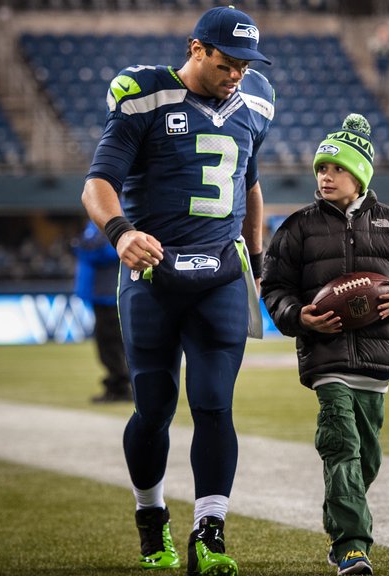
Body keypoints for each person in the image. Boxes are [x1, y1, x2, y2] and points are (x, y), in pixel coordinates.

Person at [80, 6, 274, 575]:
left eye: (243, 64)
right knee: (154, 409)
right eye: (225, 62)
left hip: (219, 277)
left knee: (215, 405)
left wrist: (257, 258)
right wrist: (121, 233)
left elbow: (249, 181)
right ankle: (151, 514)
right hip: (153, 279)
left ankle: (210, 533)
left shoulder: (256, 101)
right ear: (195, 50)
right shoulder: (146, 96)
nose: (235, 74)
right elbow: (97, 184)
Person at [261, 113, 389, 576]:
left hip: (376, 363)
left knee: (366, 459)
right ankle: (354, 546)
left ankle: (339, 526)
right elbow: (273, 288)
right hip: (327, 359)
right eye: (321, 169)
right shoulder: (297, 227)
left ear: (359, 175)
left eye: (336, 168)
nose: (326, 176)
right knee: (340, 447)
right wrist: (299, 316)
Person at [74, 219, 131, 404]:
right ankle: (118, 384)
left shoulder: (114, 214)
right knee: (106, 343)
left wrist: (85, 247)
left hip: (107, 291)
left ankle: (120, 386)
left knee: (111, 343)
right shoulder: (97, 220)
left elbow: (112, 250)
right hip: (99, 291)